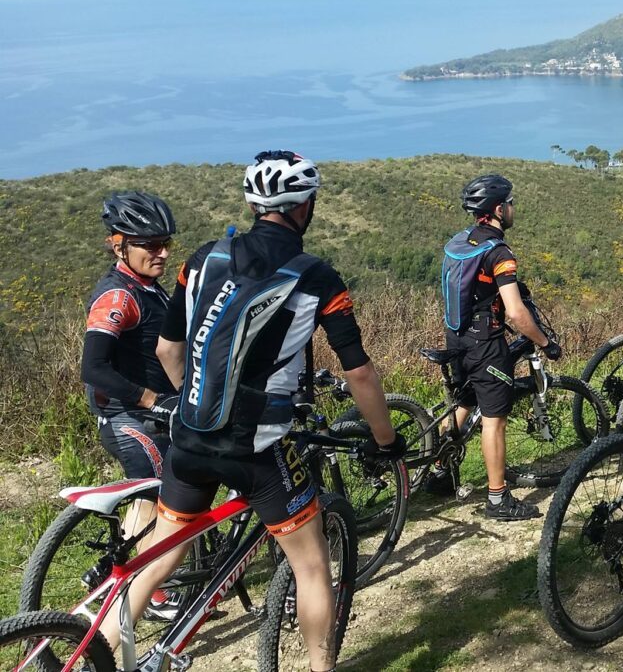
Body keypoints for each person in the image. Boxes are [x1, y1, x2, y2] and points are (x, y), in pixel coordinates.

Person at [99, 151, 400, 672]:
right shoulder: (318, 278)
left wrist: (198, 406)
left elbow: (168, 351)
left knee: (157, 560)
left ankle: (97, 655)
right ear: (305, 206)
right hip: (257, 449)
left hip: (188, 439)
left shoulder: (201, 259)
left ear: (253, 204)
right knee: (311, 567)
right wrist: (386, 439)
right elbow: (360, 375)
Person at [435, 174, 562, 521]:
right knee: (495, 420)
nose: (513, 208)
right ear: (497, 209)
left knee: (465, 400)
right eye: (510, 203)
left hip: (456, 335)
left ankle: (439, 469)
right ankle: (497, 499)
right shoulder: (500, 253)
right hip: (485, 346)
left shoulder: (462, 241)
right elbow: (517, 313)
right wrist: (545, 342)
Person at [83, 191, 179, 620]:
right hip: (128, 417)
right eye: (151, 245)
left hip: (147, 414)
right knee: (153, 494)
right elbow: (94, 368)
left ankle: (124, 573)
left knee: (157, 494)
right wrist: (151, 399)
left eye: (166, 243)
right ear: (118, 244)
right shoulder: (118, 297)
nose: (162, 253)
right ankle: (143, 591)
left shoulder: (148, 287)